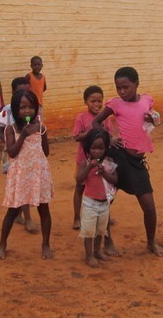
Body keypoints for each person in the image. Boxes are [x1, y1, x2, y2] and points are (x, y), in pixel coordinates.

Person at [92, 66, 163, 256]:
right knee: (106, 202)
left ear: (136, 84)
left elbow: (155, 118)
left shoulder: (147, 100)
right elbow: (95, 122)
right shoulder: (115, 104)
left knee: (149, 205)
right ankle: (107, 242)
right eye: (118, 88)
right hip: (117, 158)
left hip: (137, 162)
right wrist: (109, 138)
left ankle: (151, 243)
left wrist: (153, 117)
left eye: (126, 87)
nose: (122, 92)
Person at [0, 89, 54, 260]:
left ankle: (46, 244)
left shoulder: (41, 128)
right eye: (22, 107)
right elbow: (12, 152)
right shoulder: (11, 129)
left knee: (44, 210)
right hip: (20, 176)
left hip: (38, 174)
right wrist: (24, 136)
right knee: (12, 212)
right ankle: (2, 244)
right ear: (15, 109)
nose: (27, 111)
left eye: (30, 107)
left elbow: (46, 152)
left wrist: (40, 134)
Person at [0, 77, 39, 233]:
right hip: (13, 154)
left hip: (29, 156)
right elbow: (0, 129)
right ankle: (24, 217)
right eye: (21, 91)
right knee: (20, 185)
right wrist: (8, 142)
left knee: (24, 185)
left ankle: (23, 216)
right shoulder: (7, 110)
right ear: (13, 93)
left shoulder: (33, 112)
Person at [72, 85, 113, 229]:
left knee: (104, 187)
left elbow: (109, 135)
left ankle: (105, 213)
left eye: (99, 101)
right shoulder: (81, 117)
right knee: (80, 187)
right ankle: (77, 217)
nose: (96, 104)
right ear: (86, 102)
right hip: (84, 159)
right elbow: (76, 136)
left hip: (102, 159)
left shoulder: (105, 118)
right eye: (92, 101)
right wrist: (93, 131)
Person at [76, 128, 118, 268]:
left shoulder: (109, 162)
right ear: (88, 148)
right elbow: (79, 179)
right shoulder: (84, 163)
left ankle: (97, 251)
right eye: (94, 148)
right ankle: (89, 256)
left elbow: (115, 179)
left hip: (104, 203)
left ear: (106, 148)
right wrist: (89, 168)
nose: (97, 151)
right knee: (88, 231)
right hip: (90, 203)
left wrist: (104, 173)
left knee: (101, 230)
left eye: (101, 148)